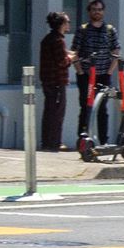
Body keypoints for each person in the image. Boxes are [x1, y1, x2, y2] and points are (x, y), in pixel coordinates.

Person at [71, 0, 120, 145]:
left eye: (99, 10)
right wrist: (80, 72)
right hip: (86, 75)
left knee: (102, 108)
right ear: (89, 12)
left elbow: (116, 51)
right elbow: (74, 53)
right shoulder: (83, 30)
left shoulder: (110, 30)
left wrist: (109, 72)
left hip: (103, 75)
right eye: (94, 10)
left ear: (103, 12)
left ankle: (104, 141)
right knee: (85, 107)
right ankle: (83, 140)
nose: (97, 12)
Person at [38, 11, 76, 152]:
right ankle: (55, 142)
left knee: (49, 111)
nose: (69, 24)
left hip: (48, 80)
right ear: (61, 24)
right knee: (57, 113)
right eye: (67, 22)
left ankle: (47, 141)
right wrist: (71, 58)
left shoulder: (48, 39)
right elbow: (62, 61)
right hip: (57, 81)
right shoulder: (58, 41)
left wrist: (68, 53)